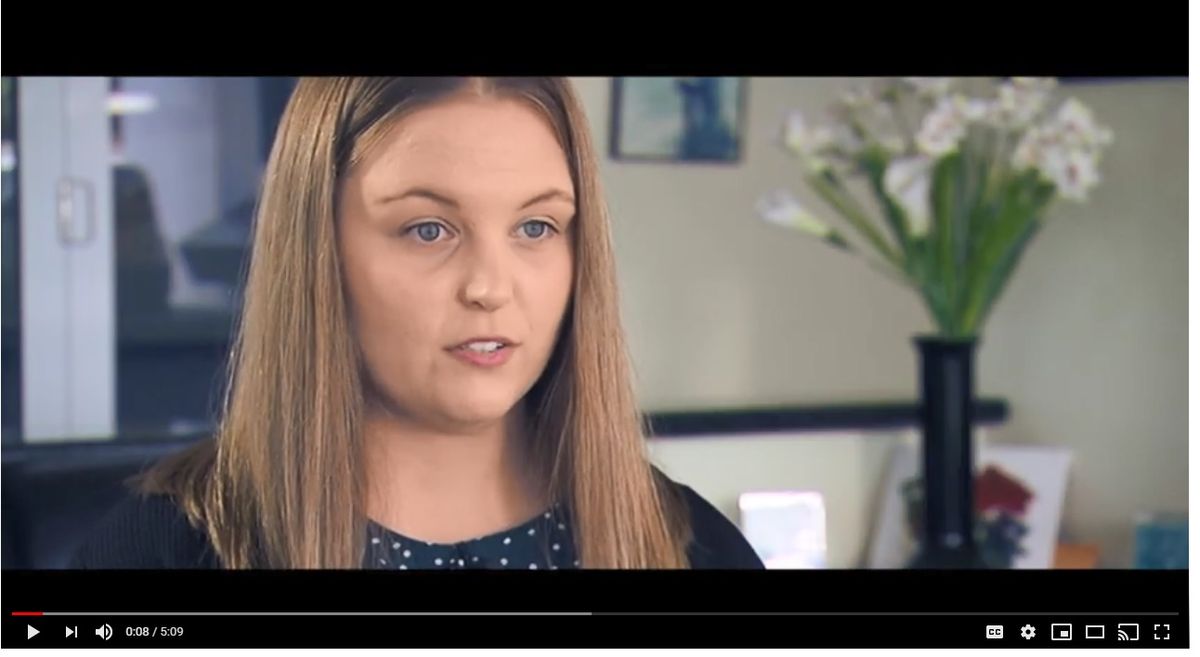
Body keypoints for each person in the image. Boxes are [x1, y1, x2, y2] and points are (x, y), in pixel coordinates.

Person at [69, 77, 764, 570]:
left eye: (536, 226)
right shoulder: (164, 551)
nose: (490, 287)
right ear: (319, 253)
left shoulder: (692, 548)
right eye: (428, 229)